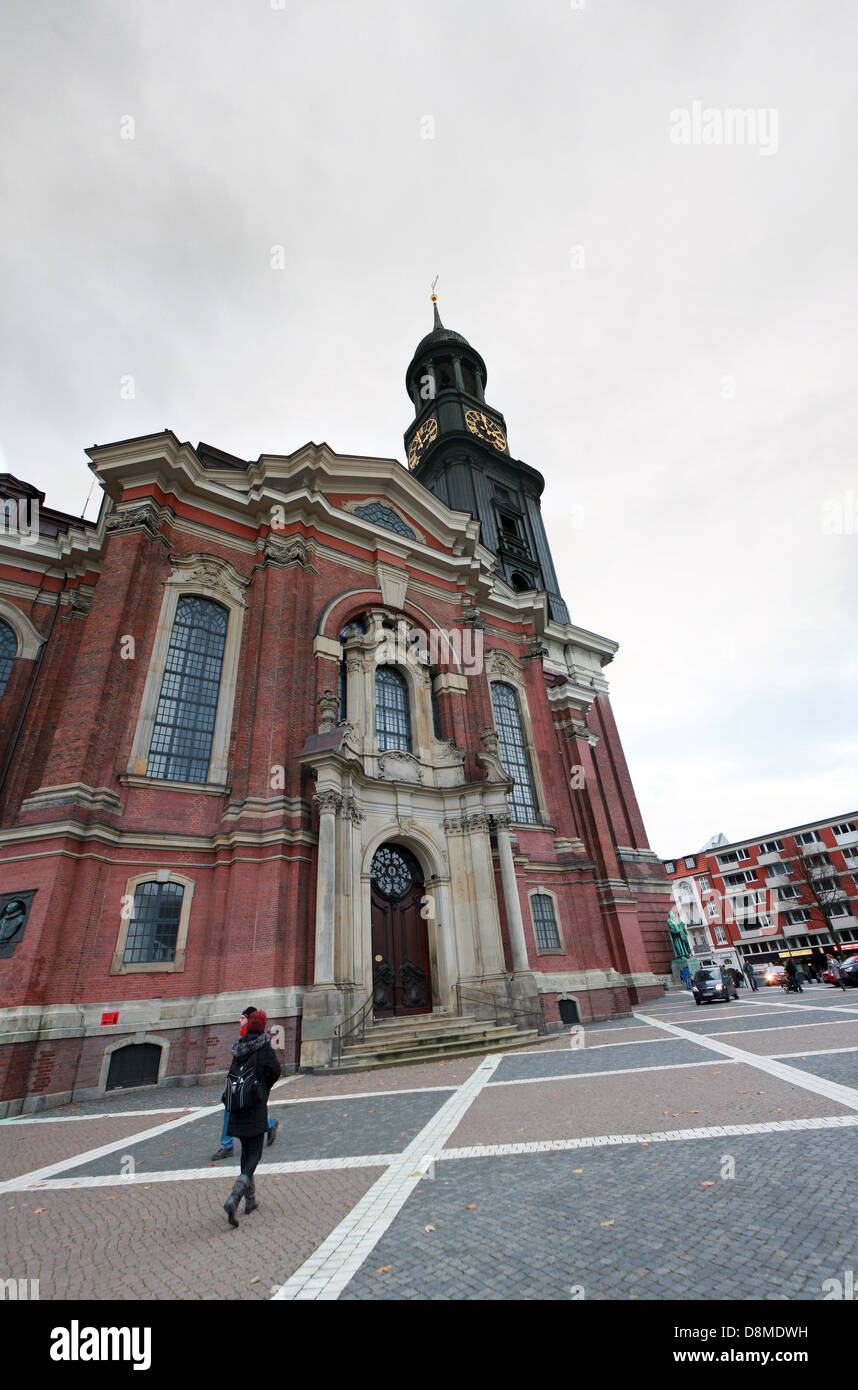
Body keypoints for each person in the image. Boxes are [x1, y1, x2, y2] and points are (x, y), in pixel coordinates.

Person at [222, 1009, 281, 1227]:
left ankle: (250, 1201)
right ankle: (235, 1197)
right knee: (255, 1153)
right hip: (255, 1105)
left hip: (237, 1106)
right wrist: (264, 1087)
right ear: (263, 1026)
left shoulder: (238, 1047)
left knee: (245, 1154)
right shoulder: (263, 1046)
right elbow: (275, 1070)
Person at [212, 1005, 279, 1159]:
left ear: (250, 1021)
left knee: (238, 1110)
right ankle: (228, 1144)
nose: (239, 1020)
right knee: (232, 1108)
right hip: (237, 1082)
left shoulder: (258, 1041)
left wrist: (262, 1085)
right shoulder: (242, 1038)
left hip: (249, 1084)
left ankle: (228, 1144)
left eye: (242, 1018)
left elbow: (273, 1068)